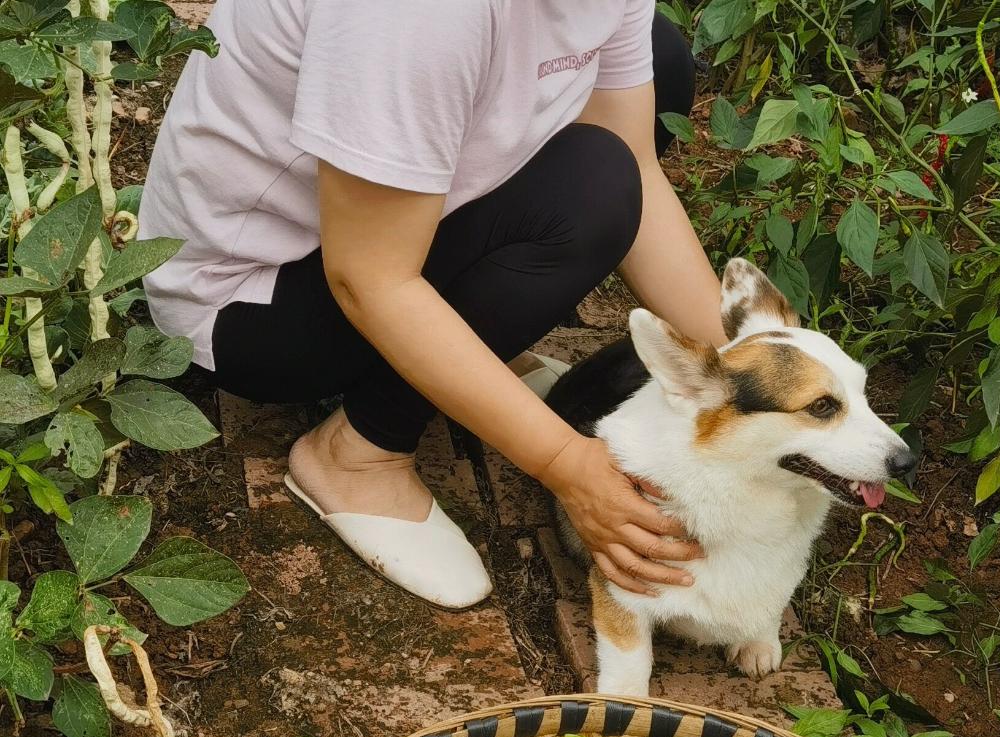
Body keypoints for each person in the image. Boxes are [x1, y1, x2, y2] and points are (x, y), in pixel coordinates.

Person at [140, 1, 732, 610]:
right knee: (590, 189)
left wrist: (748, 353)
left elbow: (634, 153)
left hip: (385, 227)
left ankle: (471, 332)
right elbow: (371, 281)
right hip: (252, 297)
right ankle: (358, 453)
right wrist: (565, 462)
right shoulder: (415, 16)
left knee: (659, 62)